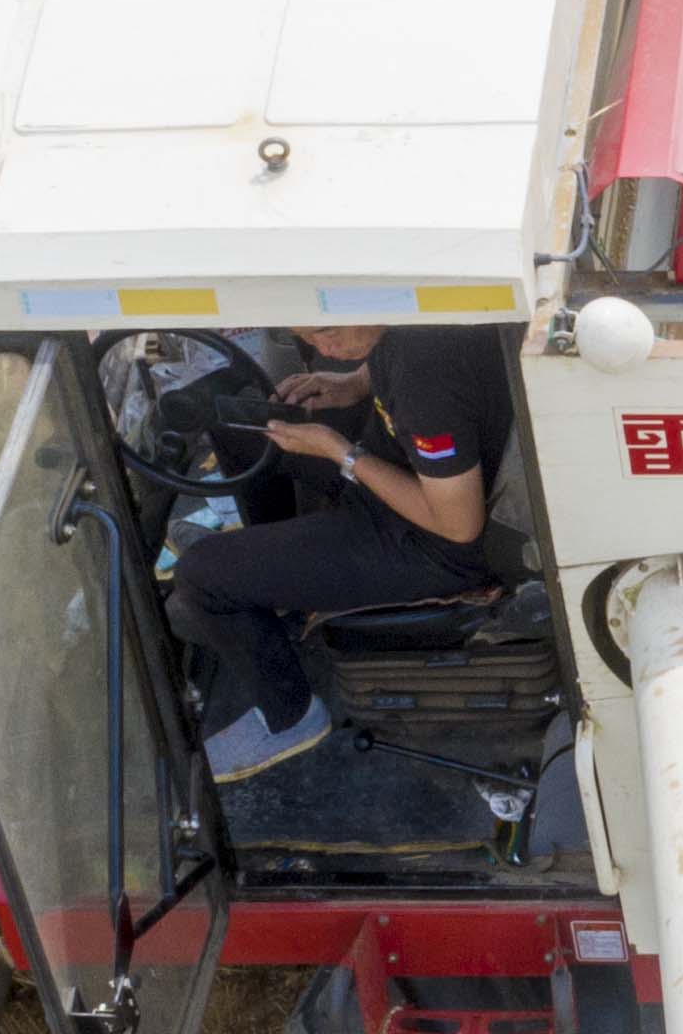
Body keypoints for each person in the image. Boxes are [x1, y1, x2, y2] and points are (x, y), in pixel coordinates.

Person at [167, 322, 519, 781]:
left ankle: (289, 716)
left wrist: (340, 453)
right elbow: (392, 352)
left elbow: (458, 526)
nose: (322, 347)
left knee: (200, 576)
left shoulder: (426, 386)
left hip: (428, 542)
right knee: (245, 426)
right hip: (397, 468)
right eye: (308, 338)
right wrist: (351, 383)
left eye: (327, 331)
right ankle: (273, 590)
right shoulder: (422, 317)